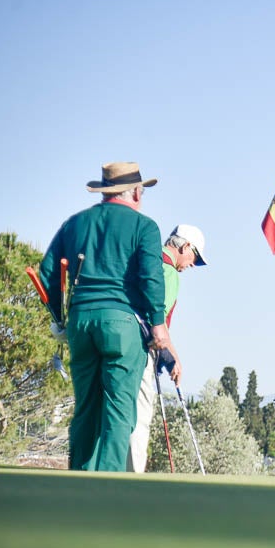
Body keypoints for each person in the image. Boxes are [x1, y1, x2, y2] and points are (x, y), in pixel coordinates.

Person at [40, 162, 175, 471]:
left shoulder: (74, 223)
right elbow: (152, 279)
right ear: (137, 192)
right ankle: (109, 484)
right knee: (119, 410)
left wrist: (60, 318)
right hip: (123, 325)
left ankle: (80, 478)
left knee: (85, 407)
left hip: (81, 323)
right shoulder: (145, 226)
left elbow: (48, 273)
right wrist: (158, 328)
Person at [127, 224, 208, 472]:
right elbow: (158, 322)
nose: (192, 265)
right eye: (195, 257)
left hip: (118, 341)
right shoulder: (169, 272)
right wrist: (173, 358)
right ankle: (132, 480)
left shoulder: (142, 260)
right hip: (139, 350)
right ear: (185, 247)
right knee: (139, 418)